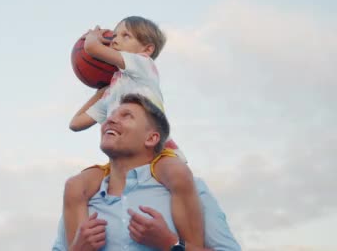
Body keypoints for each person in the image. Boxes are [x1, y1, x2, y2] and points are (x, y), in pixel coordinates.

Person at [65, 17, 203, 250]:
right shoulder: (114, 90)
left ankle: (192, 243)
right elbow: (76, 123)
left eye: (124, 36)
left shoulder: (142, 65)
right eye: (114, 35)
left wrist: (94, 37)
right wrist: (101, 91)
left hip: (156, 151)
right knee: (75, 186)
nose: (115, 40)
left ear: (147, 49)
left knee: (178, 174)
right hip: (120, 161)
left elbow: (91, 48)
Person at [53, 94, 241, 251]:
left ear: (151, 138)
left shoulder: (191, 188)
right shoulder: (83, 198)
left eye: (126, 116)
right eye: (111, 116)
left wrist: (170, 244)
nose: (110, 119)